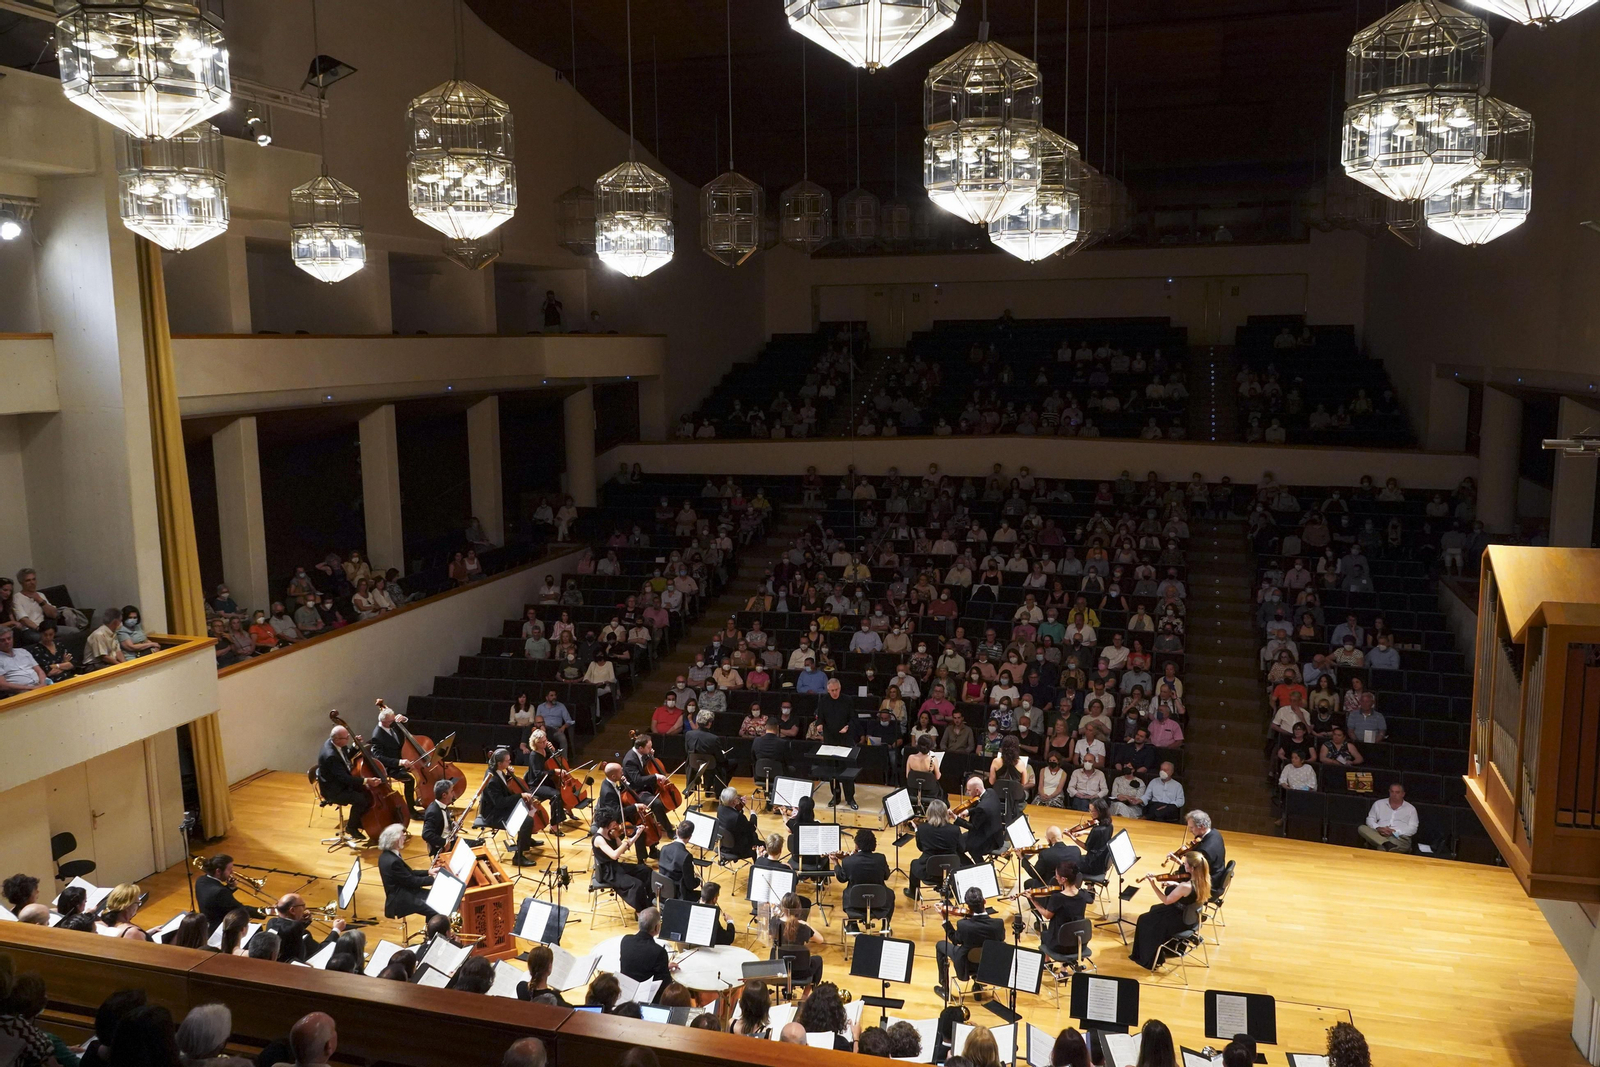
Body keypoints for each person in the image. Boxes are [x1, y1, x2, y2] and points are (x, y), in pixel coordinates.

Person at [1129, 851, 1210, 969]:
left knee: (1144, 920)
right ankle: (1169, 946)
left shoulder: (1184, 887)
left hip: (1178, 919)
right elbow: (1187, 892)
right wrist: (1174, 884)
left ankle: (1148, 958)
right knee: (1154, 910)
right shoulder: (1205, 880)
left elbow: (1166, 900)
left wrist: (1153, 884)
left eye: (1186, 864)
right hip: (1191, 918)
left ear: (1192, 868)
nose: (1183, 865)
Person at [934, 887, 1004, 1001]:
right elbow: (1000, 939)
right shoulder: (998, 924)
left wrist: (945, 919)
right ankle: (978, 981)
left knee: (940, 945)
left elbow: (955, 940)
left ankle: (945, 988)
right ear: (984, 901)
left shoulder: (963, 925)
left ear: (968, 907)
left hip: (966, 964)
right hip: (988, 964)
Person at [315, 725, 376, 842]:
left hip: (339, 782)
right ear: (337, 739)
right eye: (346, 738)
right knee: (361, 799)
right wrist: (366, 780)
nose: (349, 739)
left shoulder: (335, 743)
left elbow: (345, 758)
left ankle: (357, 821)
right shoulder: (331, 756)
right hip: (334, 790)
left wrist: (354, 746)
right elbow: (344, 778)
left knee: (367, 793)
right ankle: (351, 827)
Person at [481, 748, 540, 866]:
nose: (509, 763)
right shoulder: (492, 779)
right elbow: (499, 802)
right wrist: (520, 795)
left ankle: (525, 840)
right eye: (507, 761)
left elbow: (502, 788)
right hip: (493, 814)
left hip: (498, 808)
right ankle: (518, 857)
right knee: (526, 820)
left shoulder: (498, 771)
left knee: (527, 809)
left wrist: (508, 777)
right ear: (500, 763)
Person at [367, 702, 424, 817]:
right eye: (391, 721)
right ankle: (411, 811)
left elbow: (403, 730)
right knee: (410, 780)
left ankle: (419, 799)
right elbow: (378, 757)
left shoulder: (390, 725)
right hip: (390, 766)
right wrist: (399, 762)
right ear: (384, 722)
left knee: (421, 771)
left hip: (402, 759)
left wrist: (404, 720)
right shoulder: (377, 735)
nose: (394, 723)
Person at [592, 814, 654, 913]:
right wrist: (625, 842)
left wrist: (637, 834)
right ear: (608, 824)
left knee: (646, 870)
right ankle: (641, 911)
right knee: (637, 884)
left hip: (616, 866)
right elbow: (614, 855)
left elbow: (623, 849)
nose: (616, 824)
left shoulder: (610, 833)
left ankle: (650, 902)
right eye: (613, 822)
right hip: (608, 872)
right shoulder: (599, 839)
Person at [906, 800, 963, 900]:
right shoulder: (955, 829)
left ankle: (913, 893)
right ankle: (949, 890)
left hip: (928, 871)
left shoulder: (922, 829)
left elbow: (920, 848)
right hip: (951, 870)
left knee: (914, 863)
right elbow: (961, 848)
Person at [814, 678, 857, 808]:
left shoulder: (847, 700)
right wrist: (819, 724)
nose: (834, 693)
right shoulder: (823, 701)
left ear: (840, 688)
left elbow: (854, 718)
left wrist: (848, 727)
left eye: (836, 690)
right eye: (832, 690)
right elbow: (820, 717)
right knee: (832, 771)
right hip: (830, 740)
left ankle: (850, 799)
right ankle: (835, 796)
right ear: (828, 690)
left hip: (845, 740)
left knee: (847, 771)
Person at [835, 828, 893, 925]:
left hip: (855, 901)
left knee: (847, 892)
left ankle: (852, 924)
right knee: (890, 893)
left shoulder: (848, 861)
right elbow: (886, 876)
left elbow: (841, 878)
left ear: (857, 845)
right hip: (879, 900)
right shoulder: (880, 858)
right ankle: (886, 925)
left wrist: (836, 863)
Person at [376, 823, 435, 919]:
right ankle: (433, 930)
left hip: (406, 890)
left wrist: (428, 872)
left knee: (435, 898)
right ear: (395, 840)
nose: (404, 838)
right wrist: (433, 879)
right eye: (402, 836)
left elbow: (408, 874)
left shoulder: (387, 855)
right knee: (437, 909)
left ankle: (431, 928)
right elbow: (412, 881)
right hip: (401, 899)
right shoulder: (393, 861)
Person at [771, 892, 826, 986]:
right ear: (798, 908)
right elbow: (820, 940)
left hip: (778, 969)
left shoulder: (774, 922)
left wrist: (774, 915)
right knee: (818, 960)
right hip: (801, 971)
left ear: (782, 907)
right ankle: (805, 997)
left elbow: (771, 937)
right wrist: (806, 924)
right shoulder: (803, 927)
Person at [620, 908, 673, 996]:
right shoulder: (659, 951)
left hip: (626, 991)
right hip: (645, 995)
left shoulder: (625, 940)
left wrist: (663, 966)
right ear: (657, 927)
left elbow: (639, 963)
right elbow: (664, 983)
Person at [954, 777, 1005, 865]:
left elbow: (973, 827)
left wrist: (956, 819)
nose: (968, 792)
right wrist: (968, 811)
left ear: (977, 791)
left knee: (957, 847)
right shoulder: (990, 792)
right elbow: (980, 808)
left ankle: (974, 867)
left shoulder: (982, 808)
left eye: (969, 790)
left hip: (988, 840)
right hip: (996, 834)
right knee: (957, 841)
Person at [1359, 782, 1418, 852]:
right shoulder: (1379, 803)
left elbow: (1413, 828)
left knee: (1384, 848)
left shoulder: (1411, 809)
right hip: (1378, 834)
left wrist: (1395, 832)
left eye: (1397, 792)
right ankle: (1387, 844)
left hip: (1398, 837)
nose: (1394, 794)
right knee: (1362, 828)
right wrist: (1378, 828)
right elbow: (1370, 819)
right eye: (1392, 792)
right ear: (1389, 792)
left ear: (1403, 794)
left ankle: (1384, 845)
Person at [657, 822, 700, 901]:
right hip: (678, 895)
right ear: (690, 837)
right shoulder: (686, 856)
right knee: (706, 896)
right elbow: (690, 885)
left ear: (677, 831)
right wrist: (698, 879)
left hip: (663, 892)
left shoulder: (664, 848)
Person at [715, 787, 761, 861]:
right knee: (760, 843)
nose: (738, 798)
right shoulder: (738, 817)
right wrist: (753, 815)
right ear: (734, 801)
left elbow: (732, 815)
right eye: (737, 797)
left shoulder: (720, 809)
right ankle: (758, 866)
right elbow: (752, 828)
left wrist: (740, 806)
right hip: (737, 849)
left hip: (724, 844)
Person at [420, 779, 454, 858]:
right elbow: (426, 834)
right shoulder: (433, 812)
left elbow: (442, 822)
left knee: (478, 843)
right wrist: (444, 842)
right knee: (478, 846)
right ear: (444, 795)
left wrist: (452, 824)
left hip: (451, 838)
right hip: (443, 846)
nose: (453, 794)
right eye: (451, 791)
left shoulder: (442, 805)